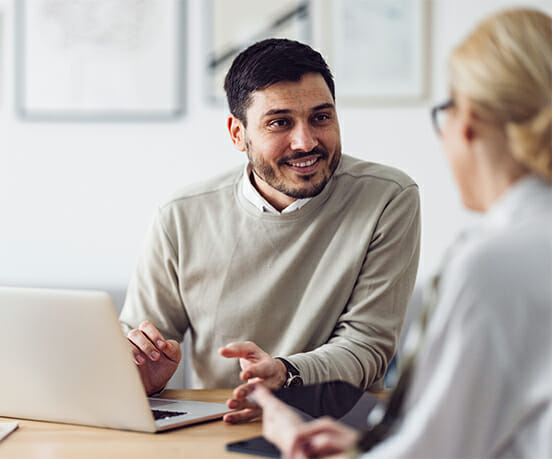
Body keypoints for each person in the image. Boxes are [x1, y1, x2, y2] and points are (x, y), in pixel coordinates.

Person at [252, 8, 552, 458]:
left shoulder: (493, 263)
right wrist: (366, 443)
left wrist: (296, 439)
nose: (305, 142)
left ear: (466, 120)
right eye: (280, 122)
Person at [119, 38, 421, 423]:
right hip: (219, 423)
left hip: (336, 425)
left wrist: (286, 373)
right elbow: (140, 343)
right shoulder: (181, 215)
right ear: (237, 133)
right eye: (280, 122)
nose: (306, 141)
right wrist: (143, 372)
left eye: (321, 117)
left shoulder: (388, 198)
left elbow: (367, 345)